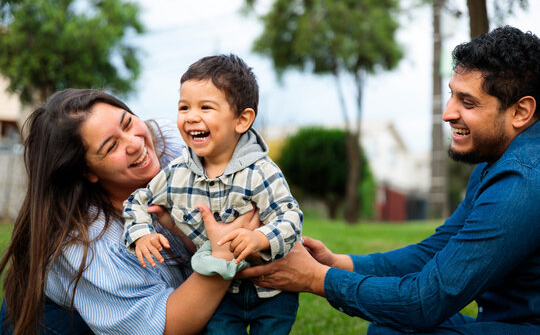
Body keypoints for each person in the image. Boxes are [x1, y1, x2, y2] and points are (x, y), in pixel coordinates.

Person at [240, 26, 540, 334]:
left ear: (521, 111)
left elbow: (425, 301)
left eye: (468, 102)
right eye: (452, 95)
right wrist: (335, 263)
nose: (448, 113)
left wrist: (315, 278)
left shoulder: (523, 179)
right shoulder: (496, 163)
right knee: (391, 324)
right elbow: (434, 251)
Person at [0, 88, 261, 335]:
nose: (135, 143)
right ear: (88, 172)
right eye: (111, 146)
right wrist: (222, 256)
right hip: (56, 323)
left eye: (126, 123)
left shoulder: (174, 145)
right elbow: (166, 325)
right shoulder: (88, 243)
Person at [122, 54, 302, 334]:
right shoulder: (176, 173)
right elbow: (138, 200)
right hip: (220, 294)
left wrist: (260, 238)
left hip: (271, 291)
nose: (192, 116)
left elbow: (290, 217)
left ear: (242, 120)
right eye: (184, 107)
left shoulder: (261, 172)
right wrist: (142, 232)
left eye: (206, 107)